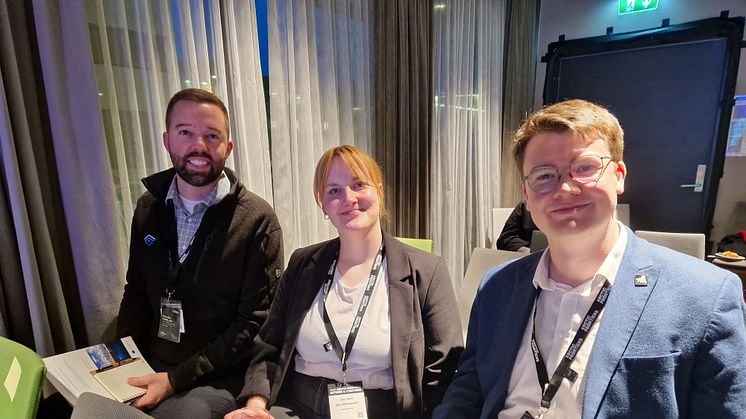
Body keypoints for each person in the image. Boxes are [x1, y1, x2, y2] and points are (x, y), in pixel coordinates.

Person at [434, 99, 746, 418]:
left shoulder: (706, 295)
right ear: (526, 196)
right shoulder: (498, 285)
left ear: (619, 175)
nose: (565, 188)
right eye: (543, 176)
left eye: (584, 168)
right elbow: (470, 385)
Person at [224, 145, 463, 419]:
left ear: (379, 191)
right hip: (297, 407)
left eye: (359, 184)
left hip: (384, 410)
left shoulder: (427, 271)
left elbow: (444, 370)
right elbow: (269, 345)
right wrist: (256, 405)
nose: (348, 198)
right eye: (334, 190)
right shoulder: (303, 264)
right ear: (323, 204)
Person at [116, 88, 284, 418]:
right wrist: (120, 361)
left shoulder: (256, 220)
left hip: (217, 377)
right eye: (186, 133)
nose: (199, 146)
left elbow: (254, 323)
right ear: (167, 140)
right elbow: (135, 293)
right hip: (151, 362)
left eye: (212, 135)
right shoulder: (148, 207)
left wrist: (175, 380)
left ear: (228, 147)